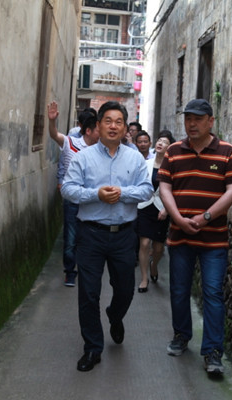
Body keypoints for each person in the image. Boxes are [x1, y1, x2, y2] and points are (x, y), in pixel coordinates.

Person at [61, 101, 153, 372]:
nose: (113, 126)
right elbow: (68, 189)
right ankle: (92, 348)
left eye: (119, 122)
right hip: (91, 234)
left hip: (124, 235)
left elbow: (147, 190)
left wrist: (122, 193)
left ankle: (115, 314)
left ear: (125, 128)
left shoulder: (135, 159)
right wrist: (96, 194)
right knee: (89, 293)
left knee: (125, 289)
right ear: (98, 125)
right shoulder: (83, 157)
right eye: (108, 121)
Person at [158, 99, 232, 375]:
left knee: (213, 293)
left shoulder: (227, 152)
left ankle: (213, 352)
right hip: (180, 236)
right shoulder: (173, 152)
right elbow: (165, 188)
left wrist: (205, 217)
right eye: (188, 119)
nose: (191, 124)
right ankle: (181, 335)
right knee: (179, 290)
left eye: (197, 119)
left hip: (213, 240)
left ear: (211, 121)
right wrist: (178, 219)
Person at [48, 101, 99, 287]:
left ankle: (87, 271)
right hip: (72, 200)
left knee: (89, 238)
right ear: (88, 131)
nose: (101, 133)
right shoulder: (70, 143)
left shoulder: (100, 150)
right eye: (98, 130)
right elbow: (54, 135)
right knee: (70, 238)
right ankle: (70, 272)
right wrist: (52, 121)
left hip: (91, 200)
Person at [136, 130, 175, 292]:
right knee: (144, 243)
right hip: (144, 206)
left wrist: (167, 209)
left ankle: (154, 265)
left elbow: (175, 191)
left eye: (165, 142)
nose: (161, 143)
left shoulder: (173, 167)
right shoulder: (145, 163)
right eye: (159, 140)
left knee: (158, 248)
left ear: (170, 147)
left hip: (161, 209)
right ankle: (144, 278)